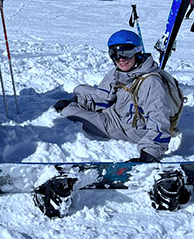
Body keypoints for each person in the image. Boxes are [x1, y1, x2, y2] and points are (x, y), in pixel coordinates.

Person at [54, 30, 174, 162]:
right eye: (115, 53)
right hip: (118, 114)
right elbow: (103, 98)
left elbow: (159, 118)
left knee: (70, 112)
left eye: (126, 53)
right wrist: (77, 100)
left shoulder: (150, 82)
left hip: (131, 129)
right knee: (80, 90)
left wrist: (150, 152)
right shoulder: (120, 72)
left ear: (138, 52)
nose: (121, 59)